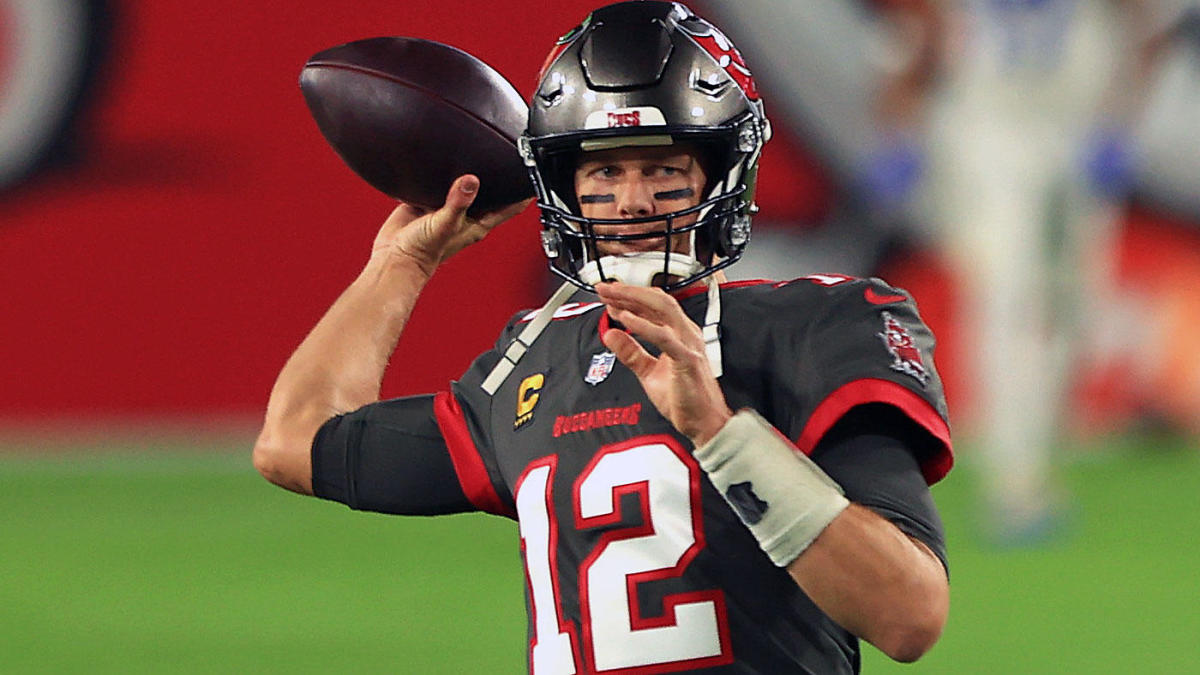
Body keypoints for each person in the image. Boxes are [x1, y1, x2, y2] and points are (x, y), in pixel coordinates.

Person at [253, 2, 954, 672]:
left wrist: (718, 430)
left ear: (721, 172)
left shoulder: (819, 326)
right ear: (565, 186)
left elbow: (909, 615)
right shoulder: (533, 360)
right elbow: (295, 438)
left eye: (662, 167)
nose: (634, 199)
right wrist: (401, 264)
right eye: (605, 170)